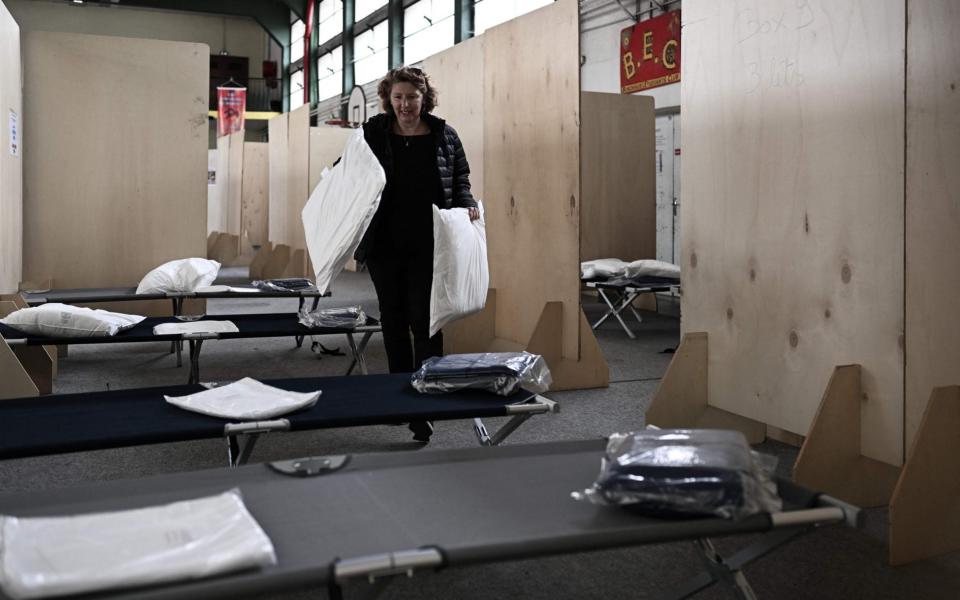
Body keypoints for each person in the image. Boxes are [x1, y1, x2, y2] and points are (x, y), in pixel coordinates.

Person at [356, 66, 480, 443]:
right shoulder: (373, 132)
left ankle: (425, 403)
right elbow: (350, 172)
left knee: (427, 320)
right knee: (392, 321)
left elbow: (459, 178)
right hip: (384, 244)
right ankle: (399, 399)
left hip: (430, 243)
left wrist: (466, 203)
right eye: (398, 97)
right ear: (388, 99)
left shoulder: (444, 134)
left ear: (425, 98)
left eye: (412, 97)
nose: (405, 104)